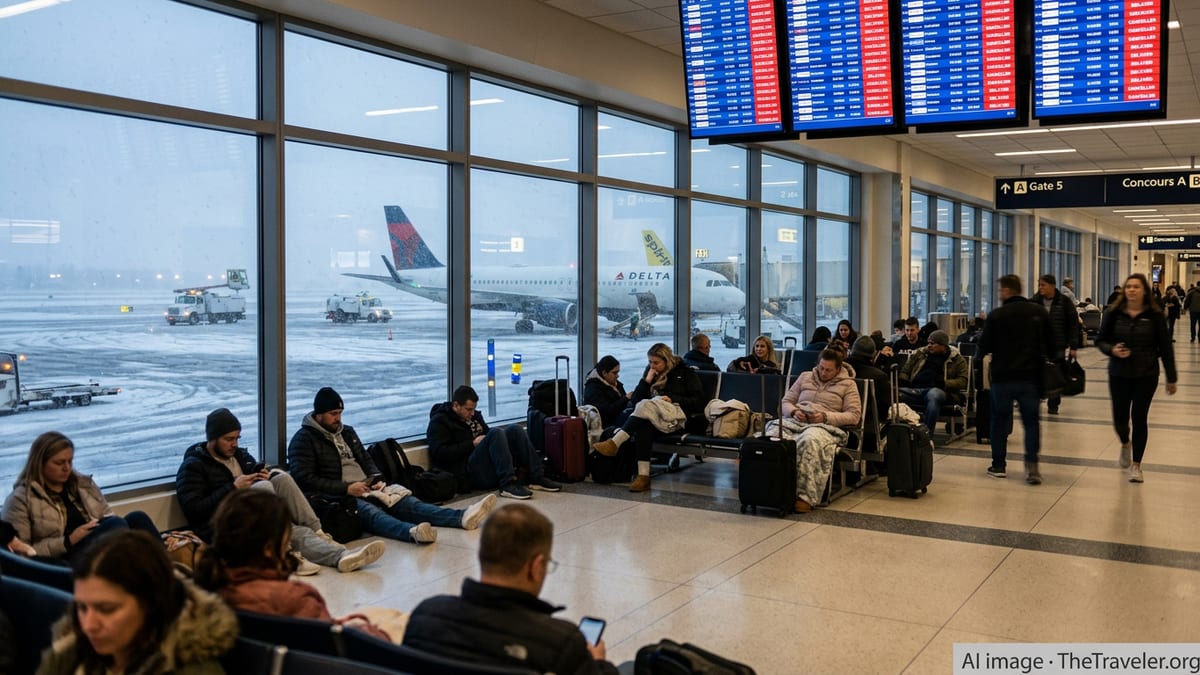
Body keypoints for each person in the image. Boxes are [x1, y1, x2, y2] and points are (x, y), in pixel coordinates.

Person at [404, 504, 618, 675]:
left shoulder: (425, 615)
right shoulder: (561, 642)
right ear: (536, 567)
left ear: (482, 555)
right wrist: (598, 663)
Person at [176, 408, 386, 574]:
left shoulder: (239, 456)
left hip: (258, 518)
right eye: (229, 439)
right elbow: (194, 510)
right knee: (266, 492)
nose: (234, 444)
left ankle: (332, 547)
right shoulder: (194, 466)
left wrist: (262, 473)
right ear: (212, 439)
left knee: (281, 478)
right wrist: (232, 488)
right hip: (224, 525)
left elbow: (256, 472)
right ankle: (286, 552)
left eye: (237, 438)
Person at [288, 387, 496, 543]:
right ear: (319, 414)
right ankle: (411, 532)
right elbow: (304, 478)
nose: (337, 419)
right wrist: (346, 488)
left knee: (408, 502)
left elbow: (366, 460)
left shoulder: (347, 432)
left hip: (366, 486)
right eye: (333, 414)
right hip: (341, 495)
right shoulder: (303, 440)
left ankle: (460, 516)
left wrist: (376, 477)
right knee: (372, 514)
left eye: (340, 413)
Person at [194, 490, 397, 642]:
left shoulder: (205, 591)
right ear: (269, 548)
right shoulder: (293, 598)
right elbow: (333, 645)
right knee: (394, 622)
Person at [37, 530, 237, 675]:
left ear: (151, 604)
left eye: (107, 609)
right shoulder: (72, 651)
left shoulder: (193, 670)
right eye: (82, 607)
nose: (88, 625)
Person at [2, 432, 160, 563]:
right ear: (40, 463)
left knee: (137, 518)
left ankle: (165, 573)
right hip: (62, 558)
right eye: (59, 463)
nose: (67, 468)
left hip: (93, 544)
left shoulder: (83, 485)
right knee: (117, 526)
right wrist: (69, 540)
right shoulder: (21, 499)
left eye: (70, 461)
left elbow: (107, 515)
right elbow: (22, 553)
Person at [1095, 274, 1178, 483]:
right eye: (1129, 286)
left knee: (1139, 418)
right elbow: (1100, 340)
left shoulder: (1155, 315)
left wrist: (1171, 377)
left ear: (1144, 291)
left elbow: (1165, 347)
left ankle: (1137, 465)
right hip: (1119, 373)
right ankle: (1125, 442)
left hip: (1146, 374)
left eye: (1136, 287)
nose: (1132, 290)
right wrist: (1112, 350)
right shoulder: (1113, 313)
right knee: (1120, 419)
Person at [591, 343, 705, 493]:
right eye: (650, 362)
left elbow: (698, 401)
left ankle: (615, 442)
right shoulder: (651, 373)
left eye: (656, 363)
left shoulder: (685, 373)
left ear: (667, 360)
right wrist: (646, 381)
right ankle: (643, 477)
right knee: (644, 425)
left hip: (677, 417)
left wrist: (671, 398)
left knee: (646, 404)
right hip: (655, 417)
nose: (652, 366)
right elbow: (635, 401)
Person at [427, 386, 562, 500]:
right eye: (468, 410)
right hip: (467, 471)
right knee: (496, 433)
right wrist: (472, 444)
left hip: (484, 463)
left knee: (514, 430)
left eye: (473, 409)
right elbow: (439, 453)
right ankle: (507, 483)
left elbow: (488, 435)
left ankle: (537, 476)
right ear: (456, 405)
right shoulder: (440, 422)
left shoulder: (474, 417)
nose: (472, 413)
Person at [979, 275, 1053, 484]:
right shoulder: (1038, 312)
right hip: (1030, 378)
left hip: (1002, 378)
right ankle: (1032, 467)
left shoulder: (996, 315)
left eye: (1000, 290)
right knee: (1031, 423)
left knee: (999, 421)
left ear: (1006, 291)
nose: (999, 294)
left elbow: (984, 346)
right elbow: (1051, 343)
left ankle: (999, 465)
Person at [781, 347, 862, 512]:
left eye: (828, 370)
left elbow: (854, 416)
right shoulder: (805, 377)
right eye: (821, 368)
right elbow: (786, 402)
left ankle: (804, 496)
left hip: (826, 427)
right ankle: (772, 488)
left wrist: (825, 417)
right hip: (796, 421)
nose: (823, 373)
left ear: (838, 369)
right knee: (772, 436)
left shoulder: (848, 384)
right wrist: (794, 411)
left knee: (809, 440)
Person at [897, 330, 969, 436]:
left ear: (943, 346)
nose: (929, 346)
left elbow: (963, 381)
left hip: (941, 391)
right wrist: (904, 381)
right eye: (928, 342)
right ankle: (899, 433)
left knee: (934, 395)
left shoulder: (956, 359)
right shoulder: (920, 353)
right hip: (916, 390)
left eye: (933, 343)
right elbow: (905, 371)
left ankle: (926, 435)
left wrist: (944, 383)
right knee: (894, 393)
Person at [1034, 274, 1080, 415]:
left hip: (1057, 345)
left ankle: (1053, 405)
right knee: (1036, 374)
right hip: (1038, 345)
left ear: (1052, 286)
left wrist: (1073, 346)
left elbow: (1073, 325)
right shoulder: (1035, 301)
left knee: (1055, 374)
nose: (1040, 287)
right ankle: (1035, 400)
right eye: (1039, 285)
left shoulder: (1064, 302)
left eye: (1043, 285)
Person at [845, 336, 890, 424]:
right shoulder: (879, 376)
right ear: (873, 355)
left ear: (852, 350)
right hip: (869, 424)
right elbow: (884, 411)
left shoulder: (838, 369)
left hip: (837, 419)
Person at [582, 355, 631, 428]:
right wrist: (626, 399)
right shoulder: (593, 389)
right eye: (614, 373)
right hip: (606, 423)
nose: (617, 376)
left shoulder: (613, 382)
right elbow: (606, 411)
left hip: (617, 415)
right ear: (604, 373)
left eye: (617, 372)